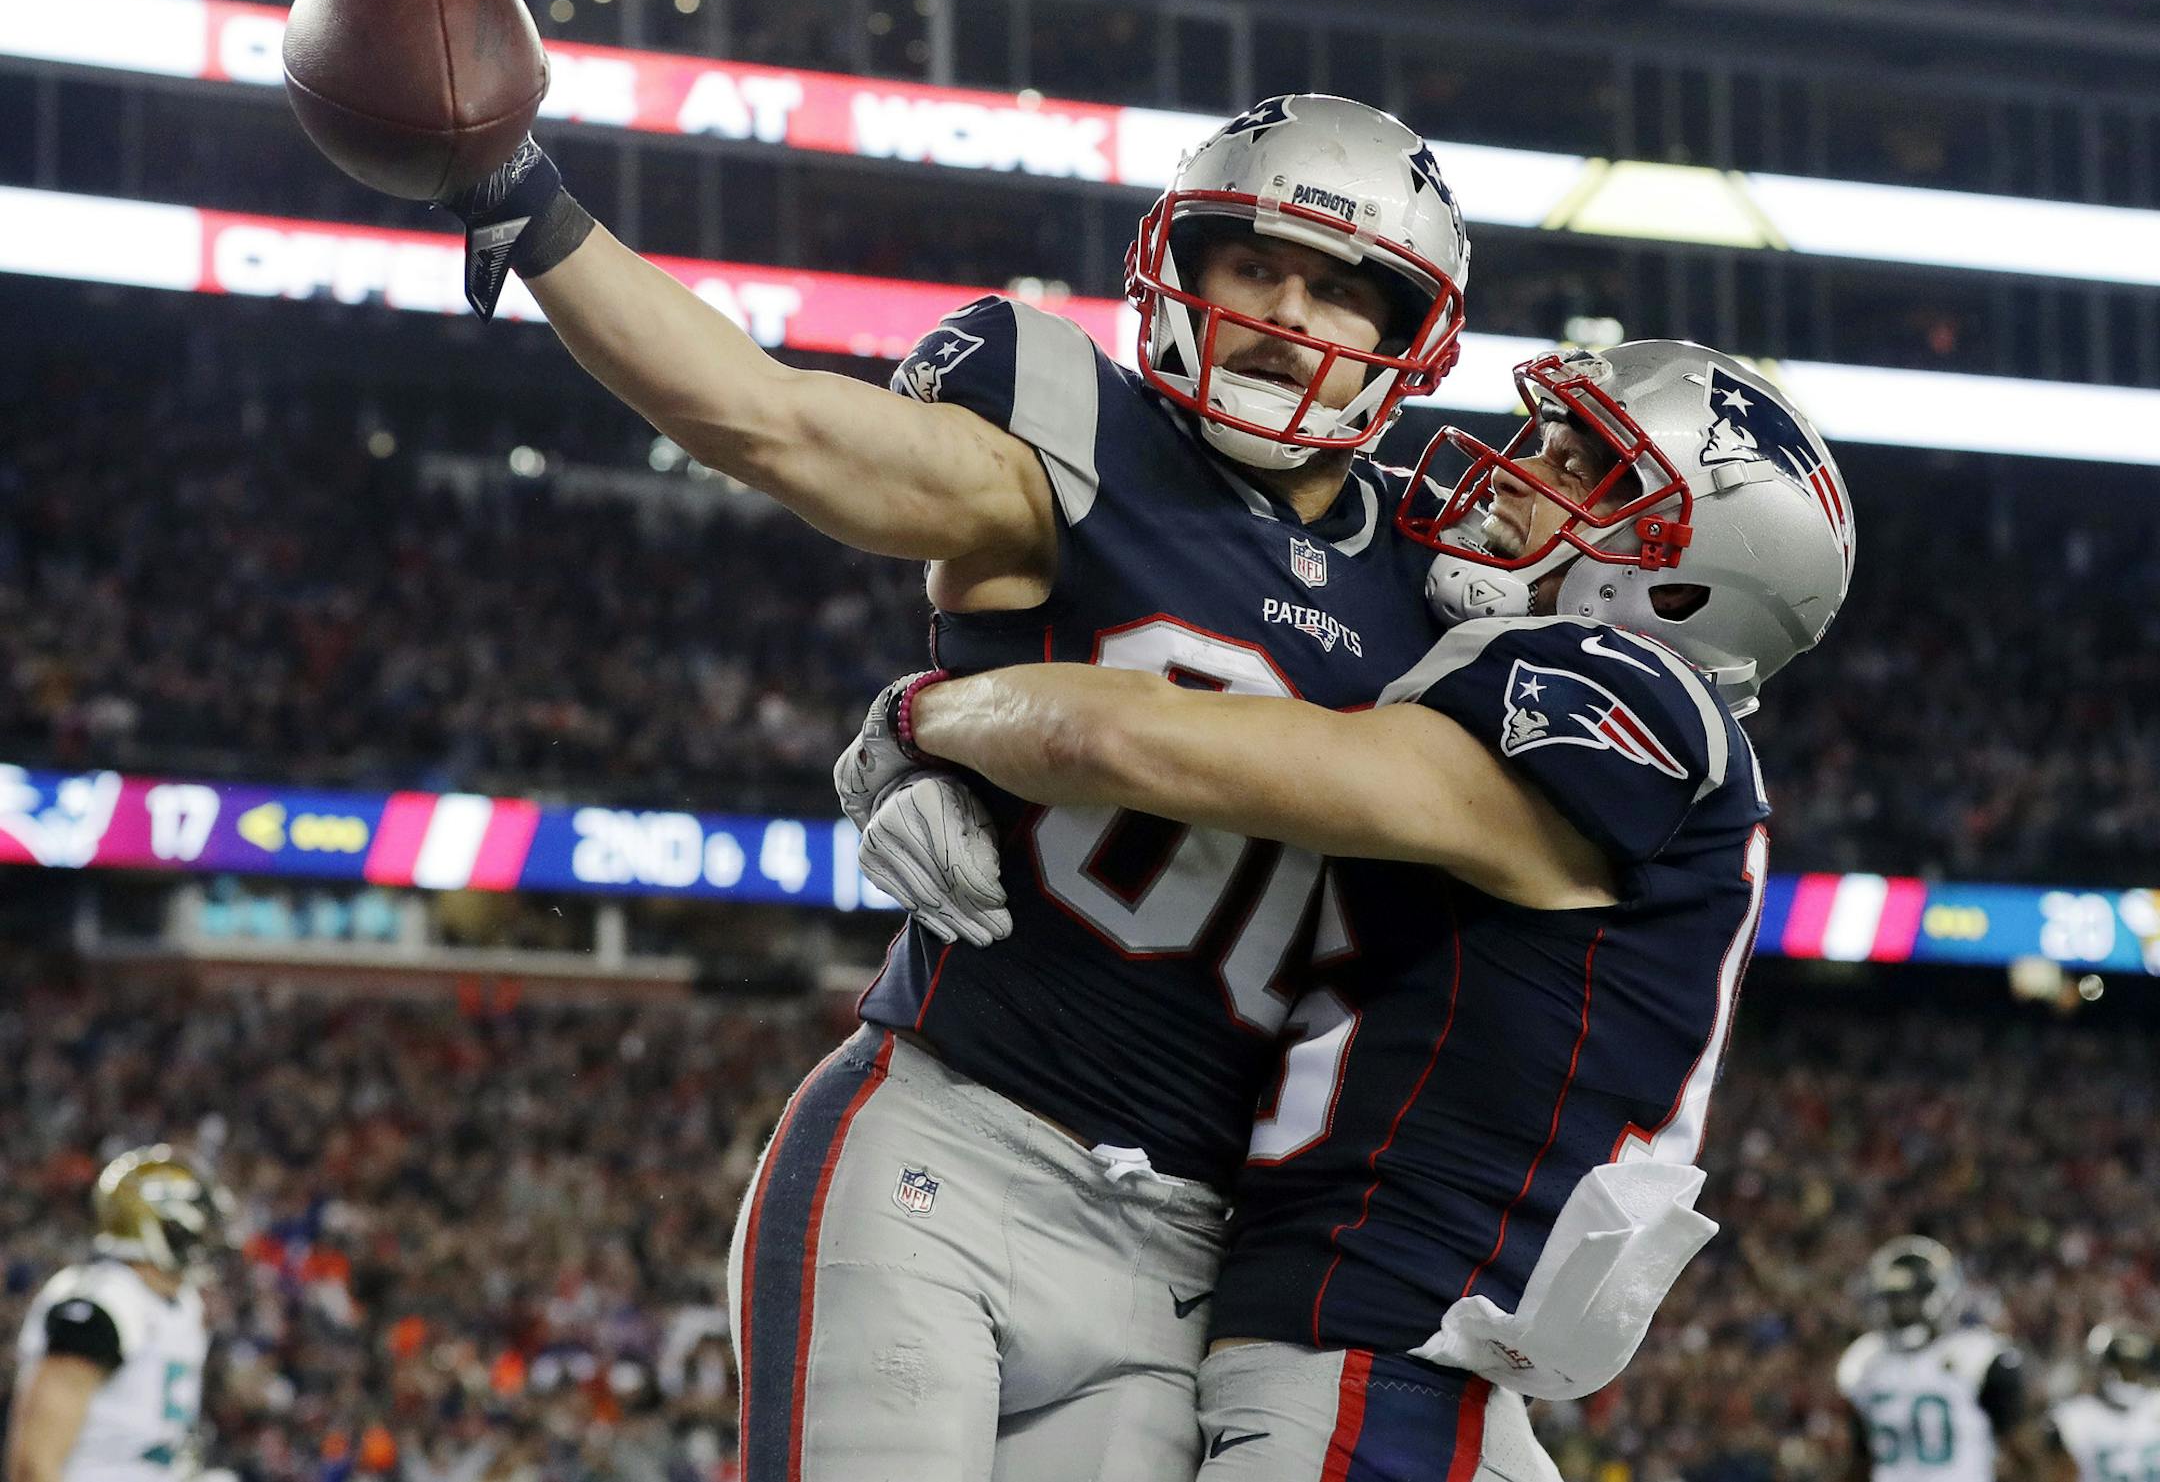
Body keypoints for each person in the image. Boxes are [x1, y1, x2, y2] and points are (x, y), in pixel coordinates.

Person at [306, 75, 1471, 1481]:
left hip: (1194, 1250)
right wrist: (528, 205)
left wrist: (933, 715)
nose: (1288, 315)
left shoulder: (1450, 589)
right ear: (1179, 261)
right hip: (951, 1153)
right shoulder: (1071, 450)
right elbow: (771, 422)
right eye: (1256, 263)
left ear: (1408, 340)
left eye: (1342, 290)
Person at [841, 341, 1854, 1478]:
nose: (1521, 472)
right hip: (1384, 1357)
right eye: (1549, 440)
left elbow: (1148, 738)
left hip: (1380, 1360)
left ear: (1681, 581)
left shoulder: (1636, 695)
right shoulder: (1551, 711)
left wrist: (933, 709)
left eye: (1583, 467)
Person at [6, 1148, 228, 1482]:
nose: (205, 1239)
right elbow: (33, 1463)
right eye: (196, 1227)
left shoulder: (182, 1302)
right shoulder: (102, 1304)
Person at [1836, 1236, 2026, 1482]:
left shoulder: (1978, 1357)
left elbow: (2017, 1448)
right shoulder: (1866, 1362)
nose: (1902, 1309)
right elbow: (1861, 1455)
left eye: (1911, 1298)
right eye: (1895, 1299)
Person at [2043, 1326, 2160, 1482]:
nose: (2125, 1379)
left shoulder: (2154, 1406)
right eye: (2122, 1368)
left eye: (2132, 1369)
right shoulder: (2075, 1417)